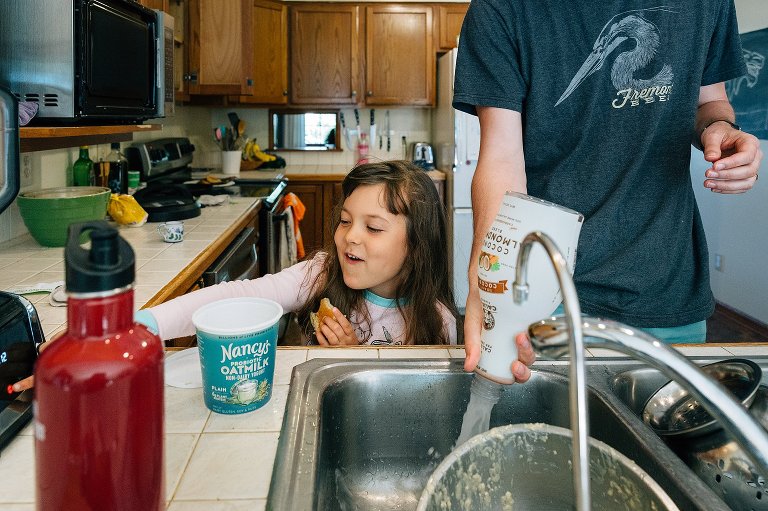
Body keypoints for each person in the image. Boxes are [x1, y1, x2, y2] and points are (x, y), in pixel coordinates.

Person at [454, 0, 763, 378]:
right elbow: (502, 156)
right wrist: (485, 285)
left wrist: (719, 129)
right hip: (542, 288)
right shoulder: (501, 8)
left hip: (664, 283)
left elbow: (710, 100)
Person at [13, 161, 458, 392]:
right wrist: (130, 328)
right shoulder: (322, 273)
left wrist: (353, 357)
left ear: (417, 247)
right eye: (344, 221)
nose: (349, 238)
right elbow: (235, 296)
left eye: (374, 227)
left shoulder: (441, 322)